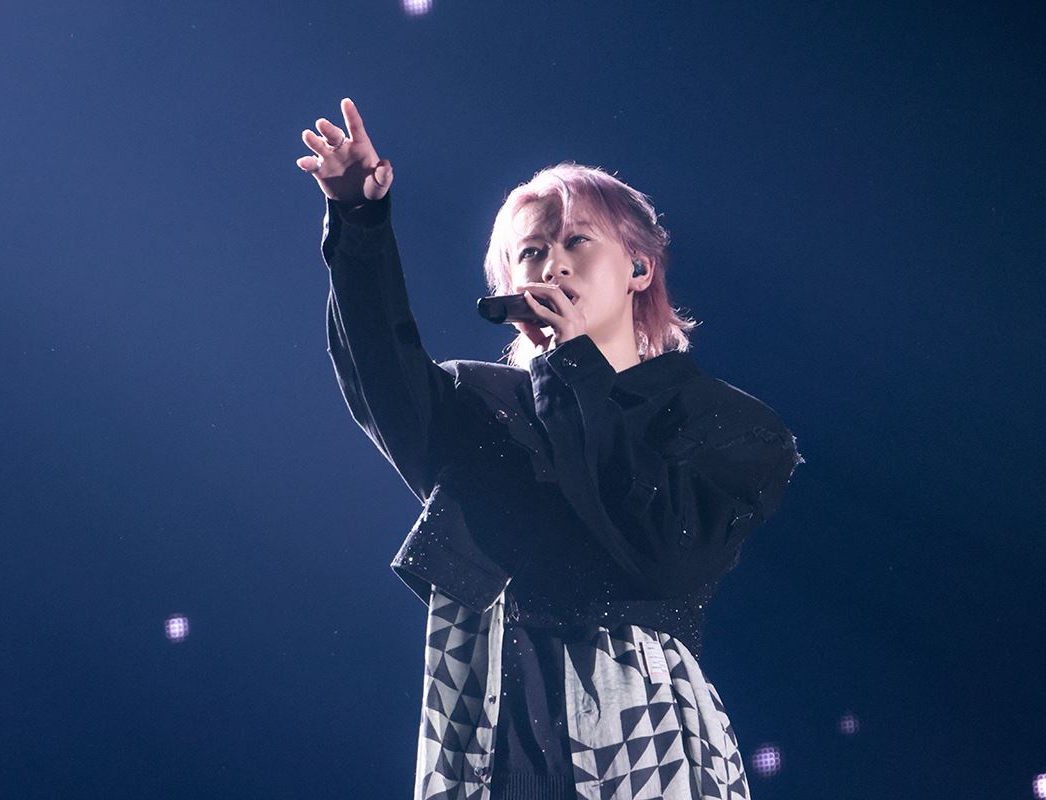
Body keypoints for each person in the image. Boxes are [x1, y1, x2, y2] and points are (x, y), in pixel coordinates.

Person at [296, 97, 803, 800]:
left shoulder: (722, 420)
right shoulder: (483, 405)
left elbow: (666, 551)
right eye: (531, 253)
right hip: (491, 718)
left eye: (576, 242)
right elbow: (377, 367)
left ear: (639, 267)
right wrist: (359, 221)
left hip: (640, 727)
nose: (553, 266)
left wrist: (577, 369)